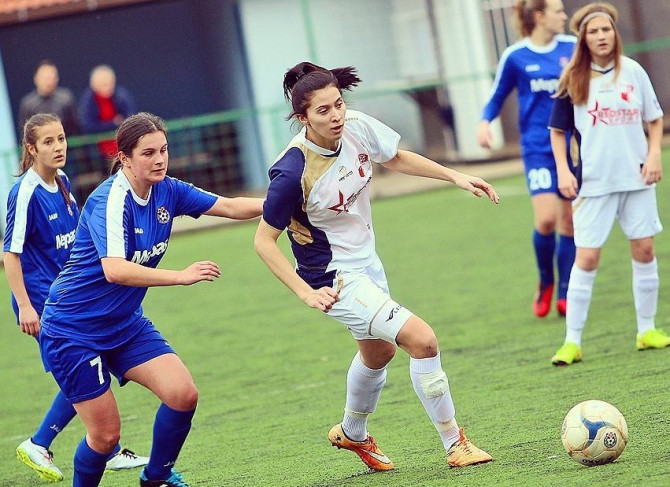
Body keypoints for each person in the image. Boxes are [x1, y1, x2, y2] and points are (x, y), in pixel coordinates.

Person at [254, 61, 498, 472]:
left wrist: (455, 176)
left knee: (379, 352)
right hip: (333, 278)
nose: (336, 115)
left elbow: (395, 157)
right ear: (303, 118)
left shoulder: (356, 126)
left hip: (368, 263)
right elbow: (264, 241)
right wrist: (305, 292)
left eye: (338, 104)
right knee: (422, 340)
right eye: (323, 111)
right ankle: (455, 443)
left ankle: (352, 432)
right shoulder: (291, 171)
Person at [36, 112, 263, 487]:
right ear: (124, 158)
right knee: (105, 436)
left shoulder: (168, 190)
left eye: (164, 150)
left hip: (124, 324)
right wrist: (180, 276)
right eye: (148, 153)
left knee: (182, 395)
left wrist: (283, 202)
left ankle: (156, 477)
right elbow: (115, 269)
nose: (160, 160)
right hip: (72, 329)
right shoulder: (110, 199)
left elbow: (230, 206)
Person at [3, 113, 149, 483]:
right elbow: (10, 255)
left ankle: (106, 449)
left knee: (92, 364)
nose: (58, 147)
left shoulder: (63, 181)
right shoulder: (25, 192)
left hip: (72, 299)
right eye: (48, 142)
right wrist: (25, 306)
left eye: (61, 139)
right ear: (31, 148)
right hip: (42, 303)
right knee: (83, 367)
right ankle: (41, 443)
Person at [548, 2, 665, 365]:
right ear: (583, 38)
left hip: (637, 178)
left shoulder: (633, 71)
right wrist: (564, 170)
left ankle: (647, 330)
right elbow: (557, 131)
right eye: (593, 31)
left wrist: (655, 154)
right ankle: (572, 341)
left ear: (615, 33)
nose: (601, 36)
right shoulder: (573, 78)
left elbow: (655, 119)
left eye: (606, 29)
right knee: (586, 258)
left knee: (644, 251)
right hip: (593, 183)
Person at [477, 0, 576, 318]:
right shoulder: (516, 56)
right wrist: (484, 122)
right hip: (537, 148)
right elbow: (496, 96)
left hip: (573, 147)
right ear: (540, 16)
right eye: (558, 11)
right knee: (546, 219)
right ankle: (546, 281)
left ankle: (566, 291)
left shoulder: (573, 48)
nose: (564, 16)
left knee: (569, 221)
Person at [79, 64, 136, 158]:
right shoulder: (88, 100)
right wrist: (113, 123)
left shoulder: (122, 95)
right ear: (94, 85)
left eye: (110, 83)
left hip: (123, 144)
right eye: (104, 84)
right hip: (97, 151)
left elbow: (130, 119)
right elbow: (88, 126)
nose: (108, 87)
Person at [18, 60, 80, 136]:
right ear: (36, 79)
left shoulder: (66, 99)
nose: (49, 82)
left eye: (52, 78)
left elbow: (75, 127)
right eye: (46, 78)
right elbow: (25, 133)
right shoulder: (28, 104)